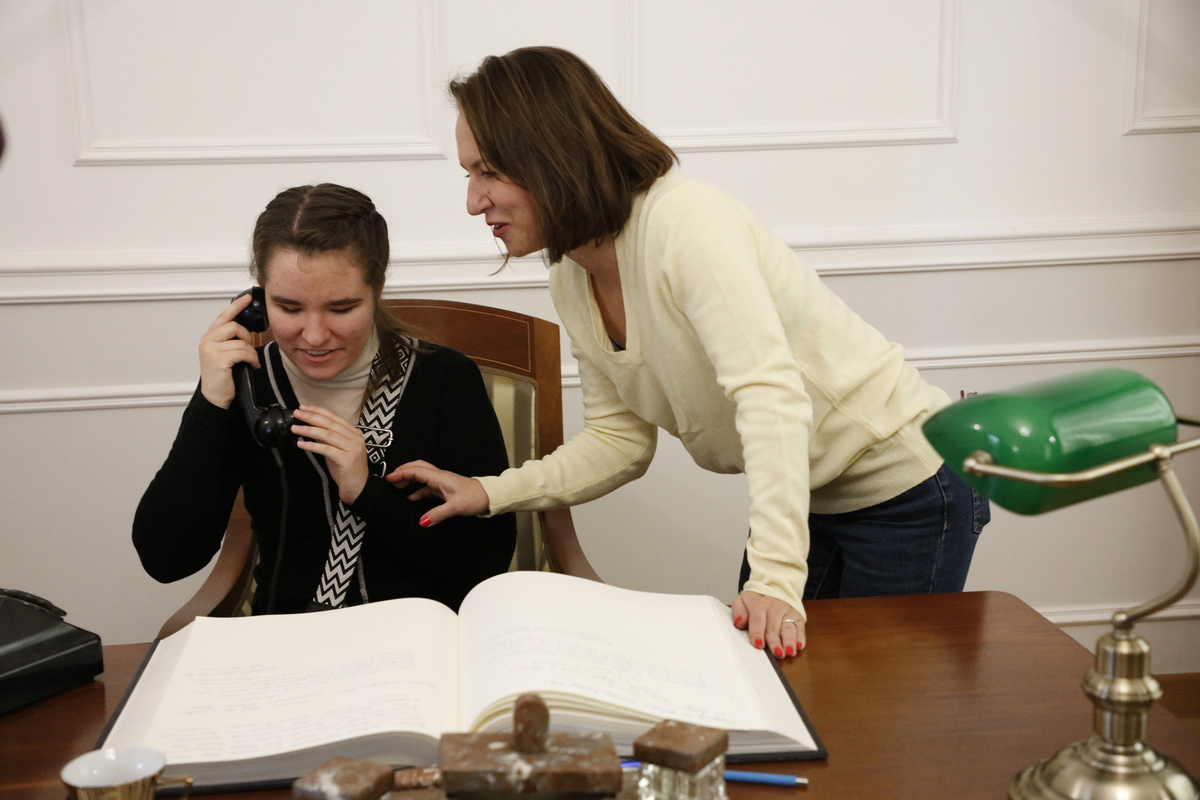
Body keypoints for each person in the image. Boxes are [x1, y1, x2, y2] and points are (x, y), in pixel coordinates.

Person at [386, 47, 989, 657]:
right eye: (469, 175)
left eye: (488, 171)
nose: (473, 201)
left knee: (872, 707)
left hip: (908, 488)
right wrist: (490, 492)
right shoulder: (571, 275)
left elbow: (770, 397)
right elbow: (619, 442)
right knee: (785, 689)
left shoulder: (684, 222)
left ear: (552, 154)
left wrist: (775, 578)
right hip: (807, 492)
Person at [134, 183, 516, 614]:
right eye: (289, 308)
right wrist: (209, 407)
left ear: (377, 289)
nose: (314, 337)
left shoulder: (445, 378)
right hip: (289, 635)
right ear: (257, 299)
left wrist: (367, 493)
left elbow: (485, 563)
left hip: (421, 632)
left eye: (341, 308)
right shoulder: (246, 383)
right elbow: (166, 560)